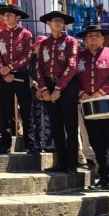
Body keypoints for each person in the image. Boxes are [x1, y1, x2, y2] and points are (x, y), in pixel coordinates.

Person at [76, 25, 109, 194]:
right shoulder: (80, 57)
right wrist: (82, 93)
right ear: (85, 39)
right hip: (89, 106)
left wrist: (100, 92)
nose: (93, 39)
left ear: (103, 39)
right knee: (97, 145)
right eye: (90, 36)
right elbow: (72, 77)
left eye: (96, 36)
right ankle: (104, 178)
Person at [33, 11, 80, 173]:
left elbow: (72, 65)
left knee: (71, 126)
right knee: (56, 126)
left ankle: (73, 163)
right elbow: (38, 67)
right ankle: (61, 161)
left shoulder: (70, 41)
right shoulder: (44, 44)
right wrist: (44, 88)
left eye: (61, 21)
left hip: (67, 87)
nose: (58, 23)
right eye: (55, 20)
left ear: (64, 24)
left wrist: (59, 88)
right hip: (48, 87)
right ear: (49, 23)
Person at [0, 3, 35, 154]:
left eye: (9, 15)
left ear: (18, 17)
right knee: (5, 109)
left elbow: (28, 55)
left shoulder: (26, 34)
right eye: (5, 15)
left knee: (26, 108)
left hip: (21, 74)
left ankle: (30, 143)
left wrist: (10, 67)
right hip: (4, 76)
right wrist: (4, 72)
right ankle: (5, 143)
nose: (6, 17)